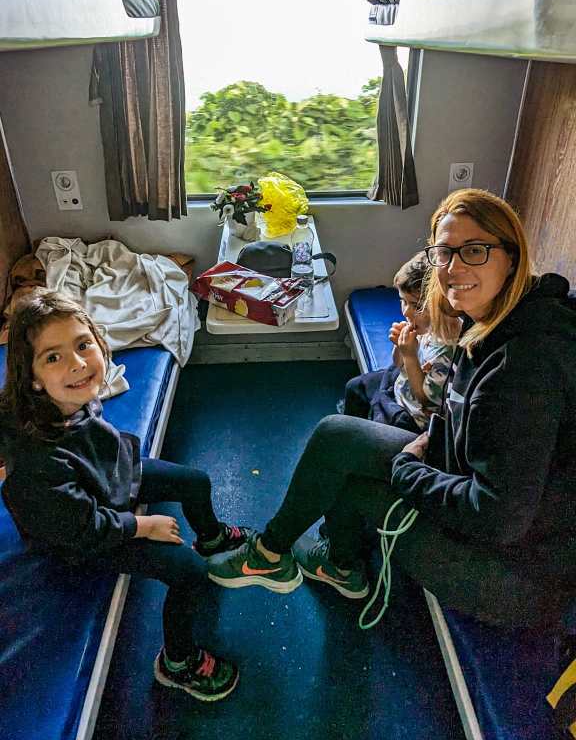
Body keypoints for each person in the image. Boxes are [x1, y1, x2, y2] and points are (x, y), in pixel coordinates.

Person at [208, 189, 576, 628]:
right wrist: (428, 444)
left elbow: (498, 517)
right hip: (464, 479)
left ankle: (334, 566)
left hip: (514, 573)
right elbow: (462, 420)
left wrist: (407, 469)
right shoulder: (492, 320)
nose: (454, 268)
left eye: (475, 250)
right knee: (337, 435)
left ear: (512, 258)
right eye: (444, 252)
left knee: (347, 481)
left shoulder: (525, 368)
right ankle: (274, 553)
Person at [0, 290, 250, 701]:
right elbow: (83, 528)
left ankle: (213, 539)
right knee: (188, 573)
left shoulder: (70, 397)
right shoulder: (38, 466)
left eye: (83, 345)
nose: (78, 363)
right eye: (53, 357)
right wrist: (142, 525)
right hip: (80, 536)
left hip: (105, 479)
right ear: (33, 378)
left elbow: (94, 448)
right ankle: (178, 663)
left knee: (195, 481)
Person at [342, 251, 456, 431]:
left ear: (443, 303)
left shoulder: (447, 351)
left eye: (417, 306)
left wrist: (410, 355)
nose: (406, 312)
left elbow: (425, 399)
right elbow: (397, 364)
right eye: (404, 301)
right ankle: (350, 430)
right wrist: (400, 347)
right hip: (400, 386)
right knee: (354, 386)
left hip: (413, 416)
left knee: (378, 424)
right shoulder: (426, 326)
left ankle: (364, 432)